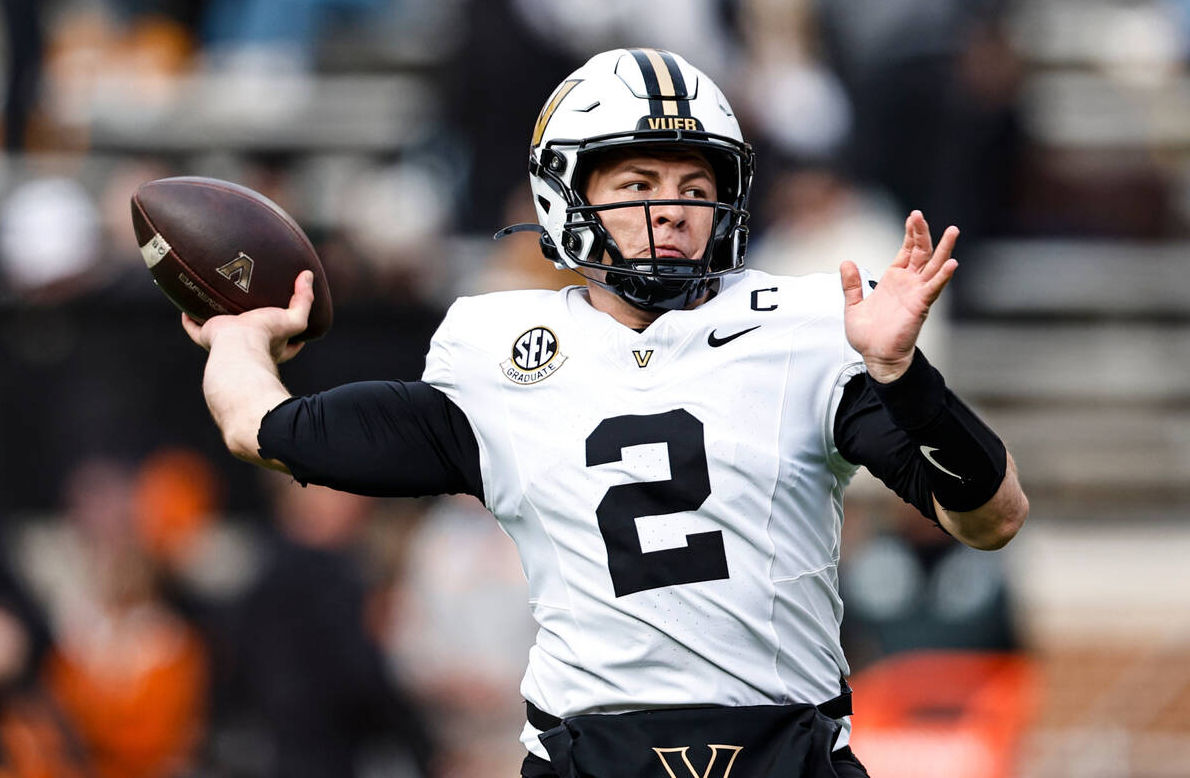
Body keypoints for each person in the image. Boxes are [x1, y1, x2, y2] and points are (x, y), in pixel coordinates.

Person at [181, 48, 1028, 778]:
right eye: (638, 182)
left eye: (697, 185)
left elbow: (992, 517)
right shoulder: (498, 351)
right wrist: (238, 338)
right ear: (567, 193)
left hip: (786, 751)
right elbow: (267, 430)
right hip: (593, 757)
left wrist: (903, 376)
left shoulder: (801, 326)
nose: (672, 209)